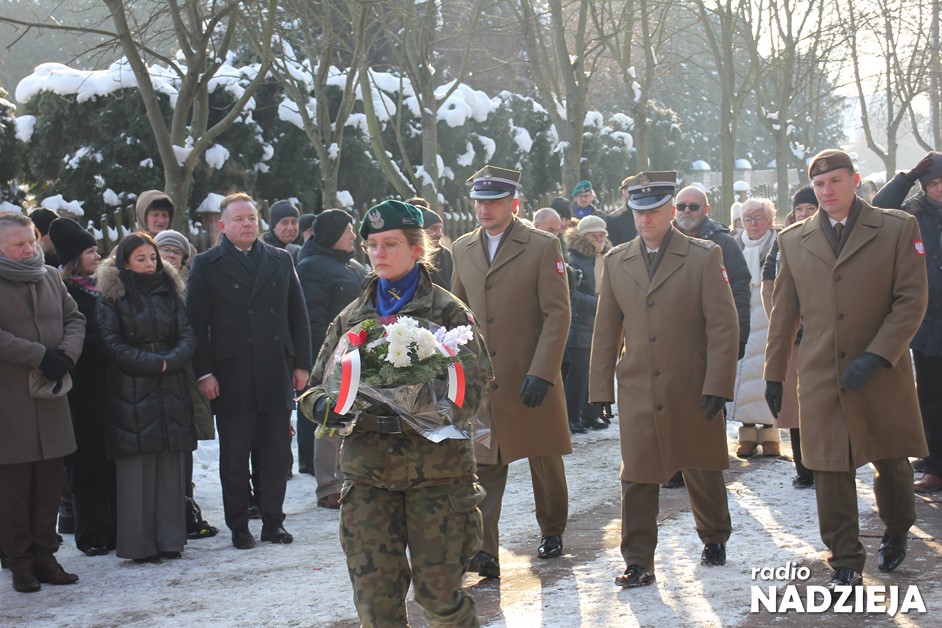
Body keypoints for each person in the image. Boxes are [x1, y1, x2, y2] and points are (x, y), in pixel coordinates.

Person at [301, 200, 492, 627]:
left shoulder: (448, 313)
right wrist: (329, 407)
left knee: (440, 599)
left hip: (437, 476)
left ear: (417, 248)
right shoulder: (353, 317)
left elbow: (475, 387)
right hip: (369, 476)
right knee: (376, 604)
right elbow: (314, 387)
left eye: (390, 244)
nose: (379, 253)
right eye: (372, 245)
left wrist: (422, 401)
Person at [765, 149, 928, 592]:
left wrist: (878, 355)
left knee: (891, 461)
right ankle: (844, 560)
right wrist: (774, 374)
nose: (827, 191)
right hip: (821, 372)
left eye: (835, 181)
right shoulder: (793, 240)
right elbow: (784, 313)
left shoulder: (896, 227)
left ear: (855, 181)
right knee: (829, 468)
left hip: (881, 370)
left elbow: (911, 299)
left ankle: (897, 528)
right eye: (819, 184)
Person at [589, 171, 738, 588]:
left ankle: (714, 535)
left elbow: (723, 325)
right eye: (638, 211)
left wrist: (718, 383)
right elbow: (606, 330)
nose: (645, 219)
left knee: (700, 464)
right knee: (637, 474)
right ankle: (638, 561)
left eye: (654, 210)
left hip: (690, 381)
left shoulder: (703, 256)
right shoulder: (617, 261)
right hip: (637, 384)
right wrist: (599, 388)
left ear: (671, 211)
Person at [451, 165, 572, 577]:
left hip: (531, 372)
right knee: (485, 461)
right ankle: (484, 550)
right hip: (486, 379)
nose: (485, 209)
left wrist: (543, 372)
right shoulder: (463, 248)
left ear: (514, 203)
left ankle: (552, 528)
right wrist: (460, 369)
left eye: (494, 201)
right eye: (479, 202)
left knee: (544, 457)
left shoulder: (541, 246)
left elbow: (557, 314)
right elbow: (458, 315)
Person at [187, 193, 311, 550]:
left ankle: (273, 521)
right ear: (222, 225)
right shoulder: (207, 264)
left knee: (275, 454)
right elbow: (196, 324)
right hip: (232, 373)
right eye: (239, 219)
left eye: (252, 218)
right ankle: (239, 525)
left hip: (275, 368)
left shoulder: (280, 259)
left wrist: (301, 364)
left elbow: (297, 315)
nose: (247, 224)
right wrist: (204, 373)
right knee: (235, 457)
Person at [97, 232, 196, 562]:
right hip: (131, 390)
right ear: (125, 263)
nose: (150, 264)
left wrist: (172, 359)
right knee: (136, 470)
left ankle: (170, 540)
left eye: (153, 258)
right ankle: (139, 545)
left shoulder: (170, 290)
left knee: (170, 466)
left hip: (171, 387)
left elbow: (186, 333)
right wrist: (153, 362)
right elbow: (111, 343)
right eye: (141, 259)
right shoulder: (112, 296)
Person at [0, 211, 84, 593]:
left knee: (50, 483)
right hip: (10, 400)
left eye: (31, 241)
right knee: (14, 488)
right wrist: (39, 356)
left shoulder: (50, 276)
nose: (28, 249)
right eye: (18, 244)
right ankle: (20, 562)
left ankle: (46, 556)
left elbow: (75, 319)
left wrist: (65, 355)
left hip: (52, 397)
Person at [872, 152, 942, 494]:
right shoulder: (913, 211)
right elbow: (878, 208)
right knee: (929, 396)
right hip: (927, 321)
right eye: (934, 183)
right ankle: (935, 465)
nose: (940, 188)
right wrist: (907, 176)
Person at [48, 218, 117, 556]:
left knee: (111, 455)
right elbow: (66, 336)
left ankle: (116, 525)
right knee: (87, 459)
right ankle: (91, 531)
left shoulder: (105, 288)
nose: (97, 256)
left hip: (110, 384)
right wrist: (101, 341)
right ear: (76, 258)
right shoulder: (64, 292)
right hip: (82, 386)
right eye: (90, 251)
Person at [295, 209, 366, 508]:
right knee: (330, 418)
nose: (353, 235)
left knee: (353, 415)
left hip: (359, 350)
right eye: (347, 230)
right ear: (331, 234)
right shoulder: (311, 267)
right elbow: (311, 317)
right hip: (332, 354)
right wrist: (319, 359)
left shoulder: (351, 264)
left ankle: (351, 477)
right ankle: (328, 485)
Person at [154, 229, 219, 539]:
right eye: (164, 249)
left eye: (175, 251)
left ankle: (186, 508)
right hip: (159, 374)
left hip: (188, 376)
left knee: (185, 444)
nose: (170, 255)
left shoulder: (192, 287)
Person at [761, 186, 818, 488]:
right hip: (795, 338)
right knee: (795, 407)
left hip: (826, 333)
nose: (804, 214)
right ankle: (804, 467)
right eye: (799, 209)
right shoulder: (783, 241)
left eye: (811, 208)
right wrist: (787, 325)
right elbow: (769, 285)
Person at [729, 198, 779, 458]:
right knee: (743, 379)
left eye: (759, 218)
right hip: (743, 318)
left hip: (769, 318)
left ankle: (770, 433)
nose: (753, 224)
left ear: (769, 221)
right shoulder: (734, 245)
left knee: (768, 375)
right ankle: (747, 434)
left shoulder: (779, 244)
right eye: (747, 219)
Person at [564, 215, 610, 433]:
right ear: (583, 236)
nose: (599, 239)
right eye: (594, 236)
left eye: (602, 235)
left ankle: (591, 414)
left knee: (596, 374)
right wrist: (600, 304)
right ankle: (573, 417)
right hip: (579, 324)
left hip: (600, 325)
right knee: (578, 376)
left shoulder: (606, 257)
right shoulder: (573, 259)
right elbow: (571, 294)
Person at [409, 197, 454, 291]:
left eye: (440, 229)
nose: (440, 234)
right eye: (434, 228)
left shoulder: (445, 254)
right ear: (420, 232)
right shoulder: (408, 257)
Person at [605, 177, 639, 246]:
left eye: (636, 190)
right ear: (623, 194)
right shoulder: (613, 219)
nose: (633, 194)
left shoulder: (650, 215)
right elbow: (613, 248)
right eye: (630, 191)